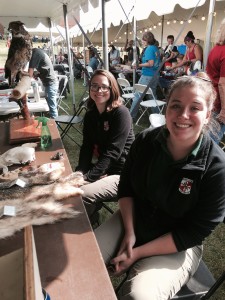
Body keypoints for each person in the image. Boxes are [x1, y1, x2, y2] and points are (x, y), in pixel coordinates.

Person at [95, 73, 225, 299]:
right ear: (166, 108)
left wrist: (136, 253)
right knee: (85, 258)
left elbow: (194, 232)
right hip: (134, 220)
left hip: (178, 243)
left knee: (139, 296)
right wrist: (130, 234)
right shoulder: (145, 141)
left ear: (207, 115)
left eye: (195, 108)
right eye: (176, 106)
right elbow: (126, 188)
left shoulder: (217, 167)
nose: (183, 115)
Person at [75, 69, 135, 222]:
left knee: (81, 193)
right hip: (104, 169)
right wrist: (80, 172)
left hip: (123, 174)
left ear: (112, 89)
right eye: (94, 86)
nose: (98, 90)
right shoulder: (90, 115)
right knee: (69, 186)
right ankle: (90, 215)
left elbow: (113, 152)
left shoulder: (121, 113)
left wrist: (89, 176)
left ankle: (86, 224)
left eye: (104, 86)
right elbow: (86, 147)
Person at [130, 31, 160, 120]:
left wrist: (138, 65)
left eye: (143, 40)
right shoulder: (155, 48)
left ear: (146, 40)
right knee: (152, 95)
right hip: (155, 75)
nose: (142, 41)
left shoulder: (149, 48)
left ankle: (131, 116)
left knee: (137, 95)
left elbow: (150, 63)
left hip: (147, 75)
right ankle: (157, 115)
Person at [206, 18, 225, 143]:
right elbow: (222, 84)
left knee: (208, 138)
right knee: (211, 142)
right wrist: (224, 110)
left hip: (213, 98)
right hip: (219, 104)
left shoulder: (215, 49)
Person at [26, 47, 59, 119]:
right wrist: (37, 74)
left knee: (52, 109)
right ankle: (52, 124)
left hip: (51, 83)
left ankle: (55, 127)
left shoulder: (34, 54)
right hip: (49, 83)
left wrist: (21, 73)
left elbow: (29, 74)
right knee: (48, 106)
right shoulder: (37, 52)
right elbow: (44, 67)